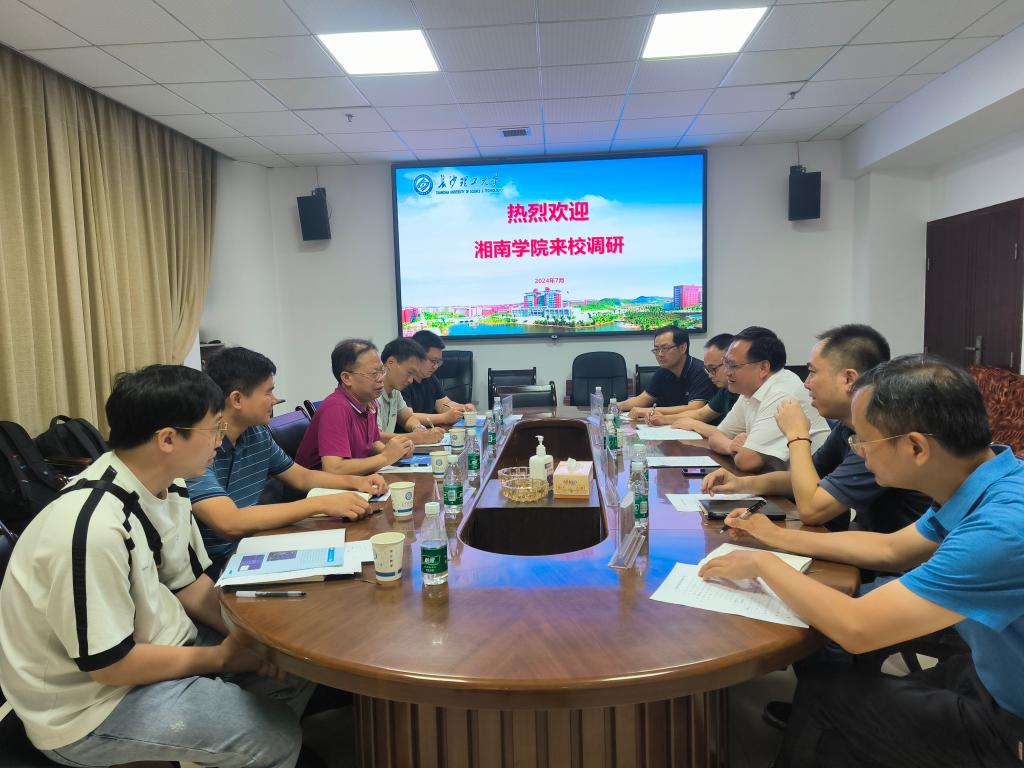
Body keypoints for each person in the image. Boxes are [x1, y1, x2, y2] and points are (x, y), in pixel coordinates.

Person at [699, 355, 1024, 768]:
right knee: (834, 687)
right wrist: (773, 537)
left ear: (916, 447)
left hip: (1010, 722)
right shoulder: (985, 480)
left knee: (826, 697)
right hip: (990, 672)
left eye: (863, 442)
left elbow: (858, 628)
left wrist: (764, 565)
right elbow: (892, 549)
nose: (858, 452)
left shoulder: (1001, 528)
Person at [0, 365, 314, 767]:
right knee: (274, 738)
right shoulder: (92, 528)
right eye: (214, 429)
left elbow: (190, 587)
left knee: (295, 662)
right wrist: (223, 657)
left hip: (162, 644)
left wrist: (248, 640)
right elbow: (110, 666)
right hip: (89, 707)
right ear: (167, 438)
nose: (220, 441)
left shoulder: (170, 485)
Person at [702, 324, 931, 533]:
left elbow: (811, 510)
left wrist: (797, 436)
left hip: (898, 558)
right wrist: (740, 483)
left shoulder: (880, 434)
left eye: (812, 372)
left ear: (849, 379)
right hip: (870, 539)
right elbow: (800, 478)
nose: (806, 383)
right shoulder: (846, 428)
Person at [186, 347, 384, 565]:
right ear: (237, 399)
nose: (274, 400)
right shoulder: (198, 449)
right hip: (220, 564)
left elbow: (302, 477)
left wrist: (357, 482)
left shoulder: (256, 433)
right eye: (268, 392)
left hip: (257, 542)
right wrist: (320, 504)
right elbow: (229, 522)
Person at [705, 326, 829, 472]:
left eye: (733, 365)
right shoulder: (750, 390)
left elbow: (747, 461)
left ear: (763, 368)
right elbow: (715, 437)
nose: (727, 372)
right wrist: (731, 446)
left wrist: (743, 449)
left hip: (809, 481)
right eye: (725, 363)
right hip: (780, 479)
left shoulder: (781, 394)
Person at [294, 339, 415, 476]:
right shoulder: (336, 409)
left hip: (354, 480)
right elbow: (334, 468)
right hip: (318, 486)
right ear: (346, 378)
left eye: (382, 371)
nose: (381, 378)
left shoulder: (369, 403)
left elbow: (372, 443)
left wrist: (396, 451)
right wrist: (386, 457)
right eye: (373, 373)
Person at [617, 325, 717, 419]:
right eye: (656, 349)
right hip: (671, 426)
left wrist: (650, 411)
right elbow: (643, 399)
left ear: (683, 348)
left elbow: (695, 408)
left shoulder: (701, 371)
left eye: (665, 348)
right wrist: (615, 406)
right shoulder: (663, 371)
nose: (660, 354)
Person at [648, 333, 738, 433]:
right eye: (707, 370)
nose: (709, 375)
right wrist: (663, 419)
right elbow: (701, 414)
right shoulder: (726, 390)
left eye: (713, 369)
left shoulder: (744, 393)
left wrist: (695, 425)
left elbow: (732, 434)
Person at [375, 337, 445, 444]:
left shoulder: (395, 392)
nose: (411, 380)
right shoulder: (371, 393)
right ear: (391, 362)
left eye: (414, 374)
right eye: (409, 372)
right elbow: (374, 438)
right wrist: (418, 438)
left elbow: (407, 418)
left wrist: (418, 428)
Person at [403, 330, 475, 428]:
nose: (436, 366)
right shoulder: (403, 381)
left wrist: (463, 408)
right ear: (416, 356)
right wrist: (444, 418)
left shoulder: (430, 378)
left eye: (438, 362)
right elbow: (407, 417)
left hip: (429, 432)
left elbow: (444, 404)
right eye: (433, 361)